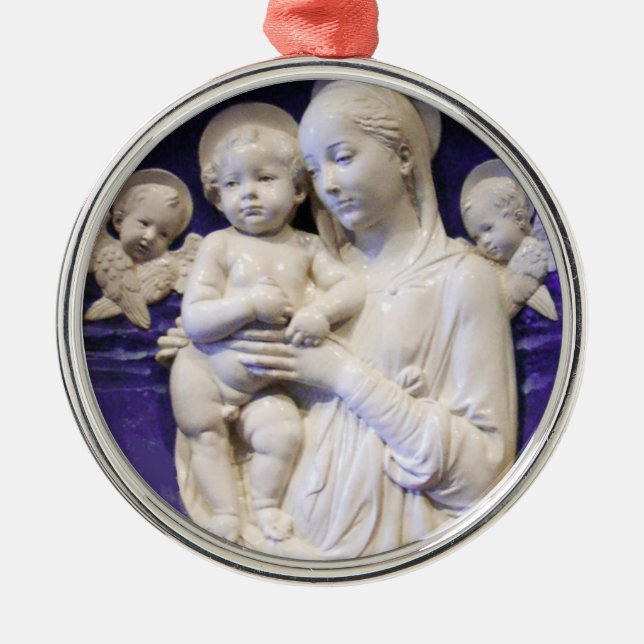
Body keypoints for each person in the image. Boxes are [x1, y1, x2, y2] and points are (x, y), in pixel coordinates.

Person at [165, 82, 518, 559]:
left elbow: (482, 478)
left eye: (343, 157)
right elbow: (236, 414)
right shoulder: (315, 276)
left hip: (395, 553)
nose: (327, 184)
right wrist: (207, 350)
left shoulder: (461, 279)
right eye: (313, 169)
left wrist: (344, 376)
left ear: (404, 155)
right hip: (279, 540)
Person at [170, 103, 365, 543]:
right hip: (204, 375)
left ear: (297, 190)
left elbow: (351, 288)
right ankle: (225, 512)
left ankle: (264, 505)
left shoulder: (307, 247)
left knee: (283, 432)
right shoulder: (219, 245)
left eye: (264, 178)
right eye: (233, 184)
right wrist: (248, 305)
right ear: (216, 197)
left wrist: (320, 313)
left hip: (264, 385)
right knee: (207, 439)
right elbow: (195, 319)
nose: (249, 194)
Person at [85, 168, 196, 329]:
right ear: (118, 220)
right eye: (144, 223)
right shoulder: (102, 247)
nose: (150, 237)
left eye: (163, 234)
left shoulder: (170, 267)